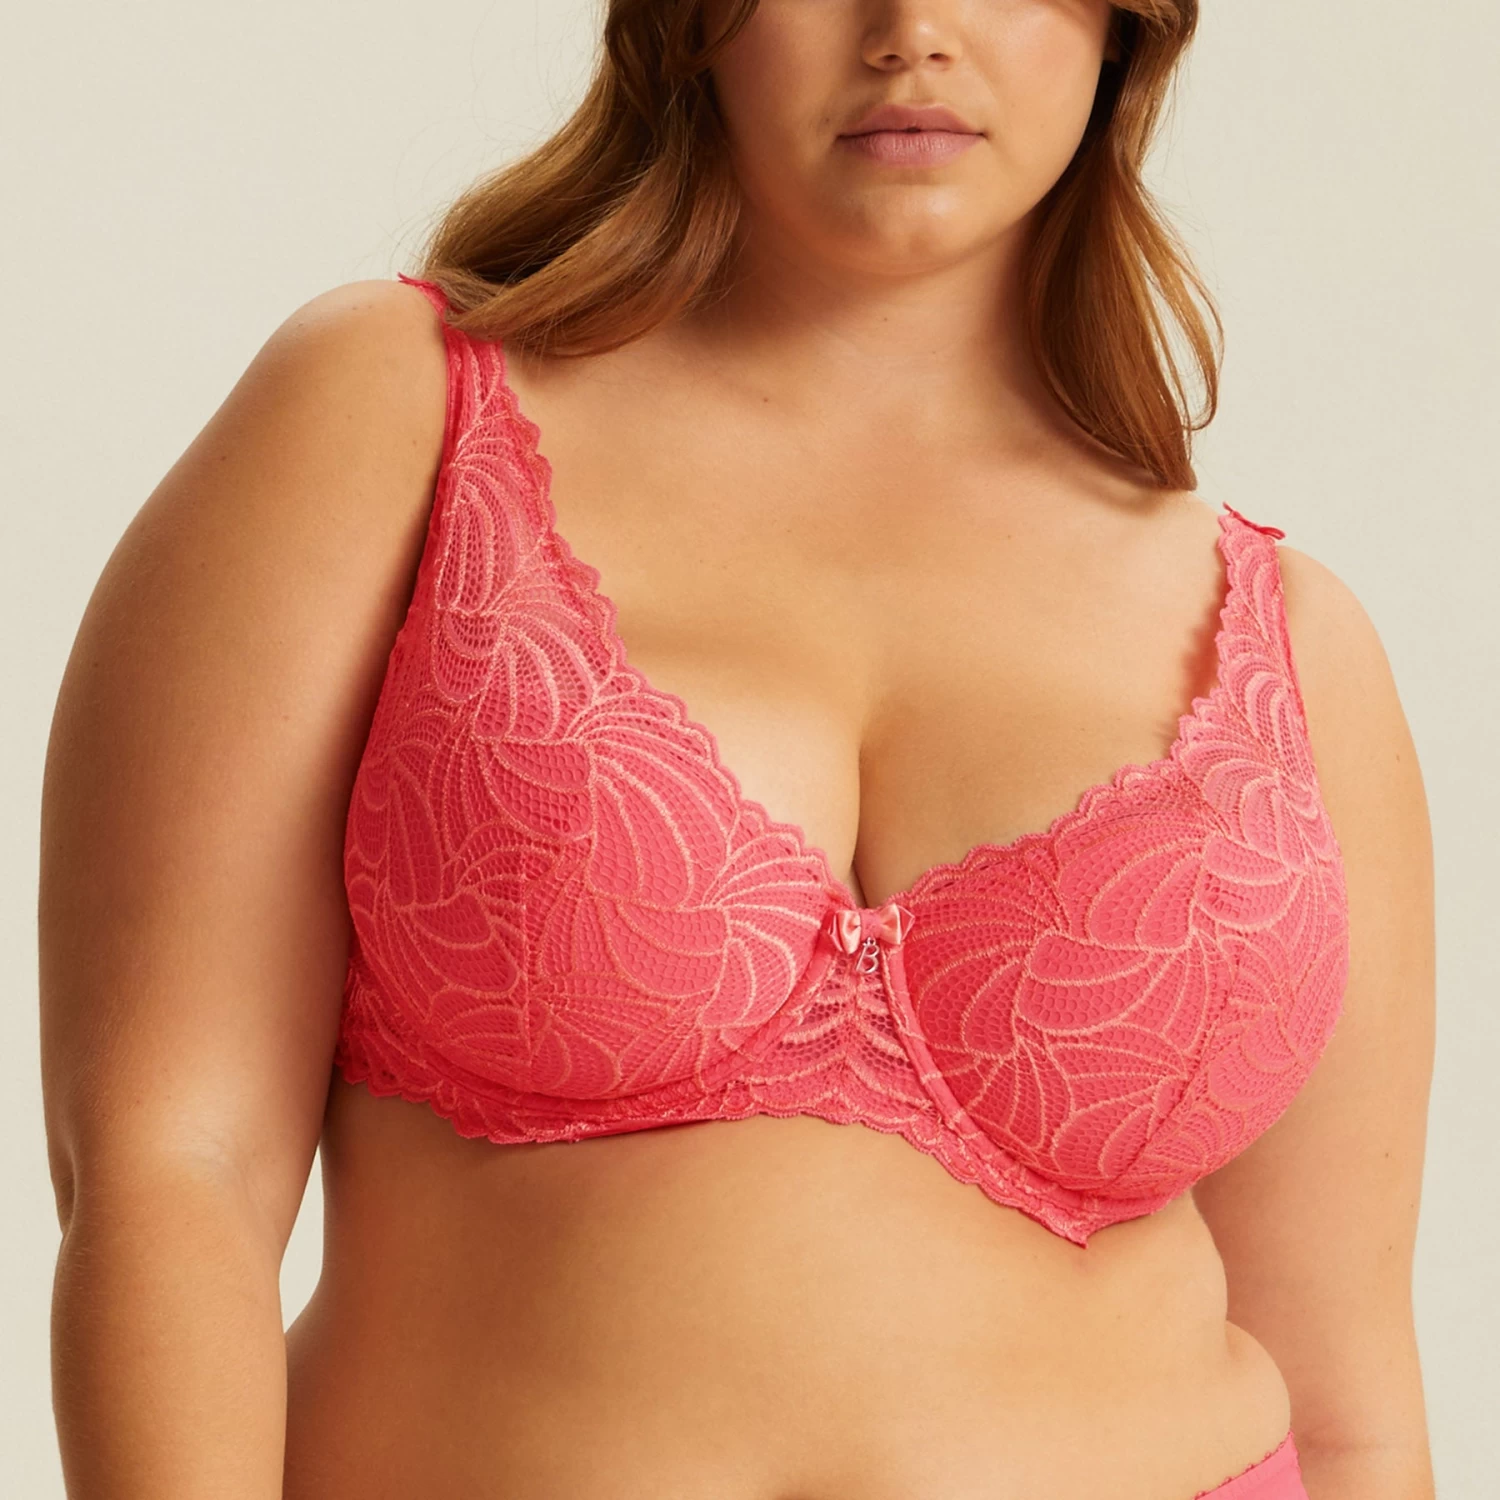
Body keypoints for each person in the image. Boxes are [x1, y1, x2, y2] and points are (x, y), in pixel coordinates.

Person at [39, 3, 1435, 1497]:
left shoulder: (1288, 642)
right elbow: (171, 1170)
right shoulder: (395, 419)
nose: (912, 30)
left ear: (1123, 26)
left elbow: (1349, 1395)